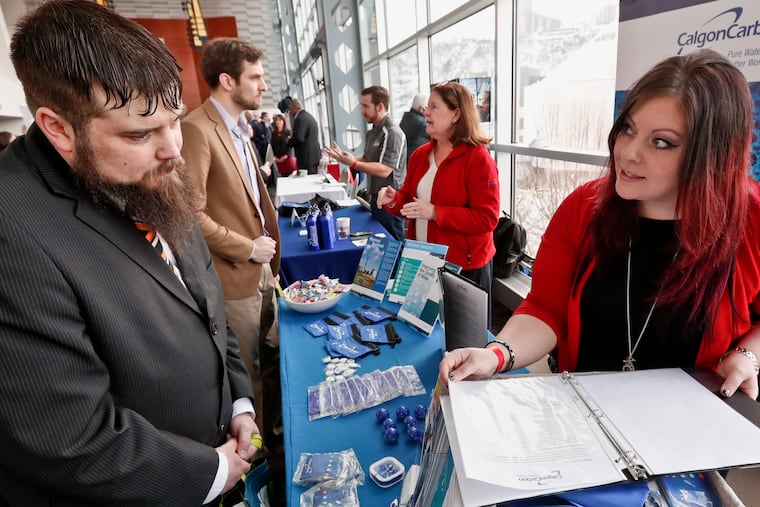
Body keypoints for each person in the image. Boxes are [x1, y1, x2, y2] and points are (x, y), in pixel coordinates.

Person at [1, 1, 257, 504]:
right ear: (58, 128)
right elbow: (67, 436)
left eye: (175, 121)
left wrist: (238, 401)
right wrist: (209, 471)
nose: (173, 150)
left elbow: (202, 297)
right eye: (140, 134)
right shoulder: (13, 230)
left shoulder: (152, 164)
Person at [439, 49, 760, 403]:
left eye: (662, 142)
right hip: (586, 422)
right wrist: (496, 354)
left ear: (713, 153)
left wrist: (748, 355)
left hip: (690, 431)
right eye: (628, 129)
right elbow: (547, 307)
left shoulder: (750, 218)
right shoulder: (584, 208)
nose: (629, 153)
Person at [180, 37, 284, 470]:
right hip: (233, 274)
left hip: (262, 271)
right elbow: (189, 215)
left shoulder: (241, 128)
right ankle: (255, 464)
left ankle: (279, 442)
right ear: (227, 80)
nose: (263, 85)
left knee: (276, 360)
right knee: (250, 376)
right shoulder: (197, 129)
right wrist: (248, 247)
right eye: (256, 77)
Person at [377, 82, 499, 301]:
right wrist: (393, 199)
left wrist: (435, 212)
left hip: (463, 269)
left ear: (456, 114)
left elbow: (487, 219)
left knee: (460, 335)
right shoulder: (420, 155)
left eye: (434, 106)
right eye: (427, 106)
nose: (426, 112)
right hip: (422, 261)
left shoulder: (478, 159)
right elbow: (410, 200)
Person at [325, 85, 407, 240]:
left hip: (390, 201)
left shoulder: (392, 133)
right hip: (375, 199)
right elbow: (368, 159)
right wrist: (347, 158)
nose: (362, 111)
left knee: (394, 246)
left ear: (380, 106)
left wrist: (354, 164)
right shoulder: (372, 132)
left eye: (366, 106)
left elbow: (385, 169)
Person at [287, 98, 321, 174]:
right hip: (313, 156)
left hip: (306, 157)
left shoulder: (300, 119)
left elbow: (299, 138)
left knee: (308, 181)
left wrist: (289, 141)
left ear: (296, 107)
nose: (289, 111)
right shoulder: (308, 116)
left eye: (290, 108)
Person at [399, 94, 430, 164]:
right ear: (421, 109)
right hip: (416, 161)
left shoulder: (406, 118)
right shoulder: (421, 123)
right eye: (428, 107)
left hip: (406, 161)